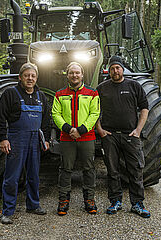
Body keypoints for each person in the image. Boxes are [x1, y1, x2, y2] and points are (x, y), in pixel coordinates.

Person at [96, 55, 151, 218]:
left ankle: (137, 203)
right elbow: (95, 111)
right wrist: (100, 130)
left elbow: (144, 108)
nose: (115, 71)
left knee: (135, 170)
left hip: (130, 135)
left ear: (122, 69)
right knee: (113, 171)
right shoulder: (102, 88)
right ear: (109, 70)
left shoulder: (134, 86)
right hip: (110, 136)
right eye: (112, 68)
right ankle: (115, 201)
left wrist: (138, 130)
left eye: (117, 68)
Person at [0, 62, 50, 224]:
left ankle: (33, 205)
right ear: (20, 77)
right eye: (26, 75)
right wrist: (3, 138)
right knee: (12, 177)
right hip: (16, 139)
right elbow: (0, 117)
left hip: (35, 140)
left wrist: (45, 139)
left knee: (33, 175)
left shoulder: (41, 96)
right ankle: (7, 211)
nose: (30, 78)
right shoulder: (11, 94)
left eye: (33, 76)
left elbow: (46, 121)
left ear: (36, 78)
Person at [51, 62, 100, 216]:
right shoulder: (59, 94)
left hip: (87, 137)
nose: (74, 75)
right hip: (67, 138)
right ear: (67, 75)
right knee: (65, 169)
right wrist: (68, 129)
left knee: (88, 169)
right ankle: (64, 200)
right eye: (71, 73)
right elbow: (55, 114)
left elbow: (94, 114)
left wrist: (81, 130)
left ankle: (89, 200)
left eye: (77, 73)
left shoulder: (92, 93)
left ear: (82, 75)